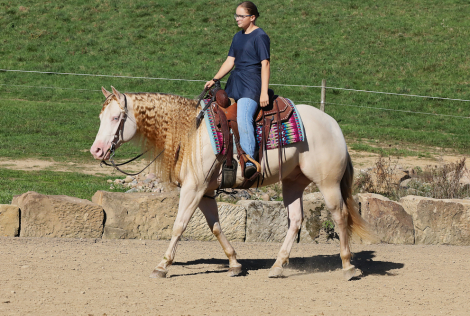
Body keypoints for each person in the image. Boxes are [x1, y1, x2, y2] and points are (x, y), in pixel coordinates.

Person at [205, 1, 270, 179]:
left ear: (252, 17)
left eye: (241, 16)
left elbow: (265, 64)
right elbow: (230, 61)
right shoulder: (237, 37)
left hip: (252, 84)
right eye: (236, 15)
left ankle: (249, 161)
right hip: (236, 81)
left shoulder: (260, 36)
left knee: (243, 117)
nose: (237, 19)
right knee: (221, 115)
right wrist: (215, 79)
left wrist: (263, 92)